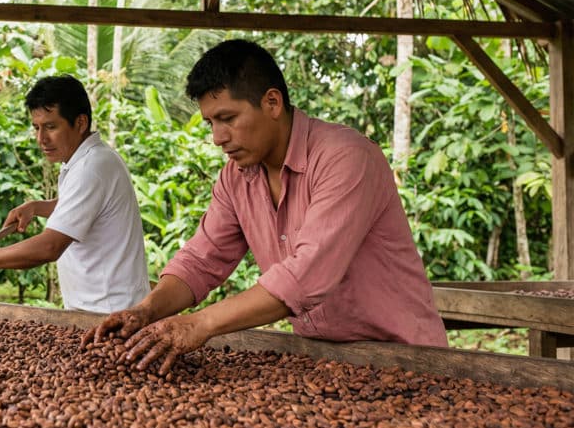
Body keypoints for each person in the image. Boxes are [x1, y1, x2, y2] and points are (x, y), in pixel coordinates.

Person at [83, 40, 447, 373]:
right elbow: (201, 261)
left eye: (228, 119)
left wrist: (199, 324)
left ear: (272, 103)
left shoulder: (346, 158)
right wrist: (145, 311)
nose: (217, 137)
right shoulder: (236, 177)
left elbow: (306, 275)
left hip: (408, 361)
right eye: (211, 123)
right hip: (323, 362)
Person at [0, 75, 150, 313]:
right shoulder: (93, 159)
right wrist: (37, 207)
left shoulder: (91, 168)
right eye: (36, 128)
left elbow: (49, 247)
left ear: (80, 123)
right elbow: (84, 206)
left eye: (51, 127)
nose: (41, 139)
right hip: (103, 308)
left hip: (109, 312)